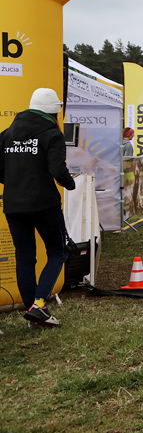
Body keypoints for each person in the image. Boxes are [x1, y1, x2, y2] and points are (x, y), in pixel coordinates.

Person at [0, 88, 76, 327]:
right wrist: (70, 183)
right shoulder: (52, 134)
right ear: (55, 111)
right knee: (57, 252)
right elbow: (57, 170)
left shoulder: (6, 134)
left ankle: (33, 316)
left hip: (13, 204)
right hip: (44, 203)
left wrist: (16, 182)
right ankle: (39, 305)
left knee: (24, 258)